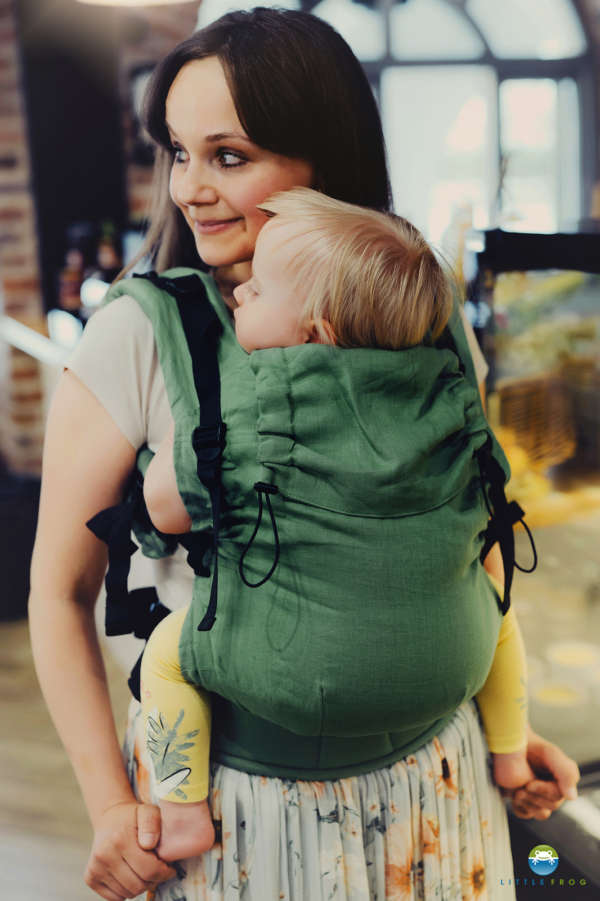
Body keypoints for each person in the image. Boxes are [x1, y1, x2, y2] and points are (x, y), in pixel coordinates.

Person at [28, 9, 580, 901]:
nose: (189, 189)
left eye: (230, 156)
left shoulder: (420, 315)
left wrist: (508, 735)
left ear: (325, 160)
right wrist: (107, 804)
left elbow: (457, 536)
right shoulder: (139, 332)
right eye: (178, 151)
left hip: (437, 781)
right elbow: (57, 593)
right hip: (233, 808)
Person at [140, 186, 532, 863]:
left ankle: (179, 811)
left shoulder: (253, 412)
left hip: (302, 678)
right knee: (497, 610)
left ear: (314, 332)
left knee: (168, 653)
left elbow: (163, 509)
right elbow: (489, 505)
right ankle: (514, 756)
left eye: (258, 292)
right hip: (450, 670)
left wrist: (179, 430)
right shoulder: (449, 396)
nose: (238, 296)